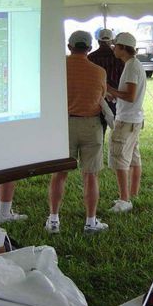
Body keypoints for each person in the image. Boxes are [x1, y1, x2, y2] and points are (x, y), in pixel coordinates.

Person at [45, 30, 109, 234]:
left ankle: (54, 220)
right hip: (91, 126)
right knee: (91, 176)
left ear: (70, 46)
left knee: (59, 174)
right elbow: (102, 95)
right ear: (89, 48)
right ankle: (91, 222)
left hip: (65, 125)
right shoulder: (99, 71)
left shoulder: (58, 67)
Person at [106, 32, 146, 213]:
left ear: (123, 48)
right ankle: (133, 194)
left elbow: (129, 96)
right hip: (135, 118)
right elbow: (131, 95)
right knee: (134, 158)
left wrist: (110, 90)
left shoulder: (131, 67)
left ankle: (124, 199)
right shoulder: (134, 65)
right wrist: (115, 96)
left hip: (126, 120)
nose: (113, 48)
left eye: (116, 46)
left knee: (120, 159)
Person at [88, 28, 125, 128]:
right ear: (111, 41)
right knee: (117, 127)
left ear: (98, 41)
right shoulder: (117, 57)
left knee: (100, 128)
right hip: (115, 96)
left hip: (97, 98)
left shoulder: (91, 57)